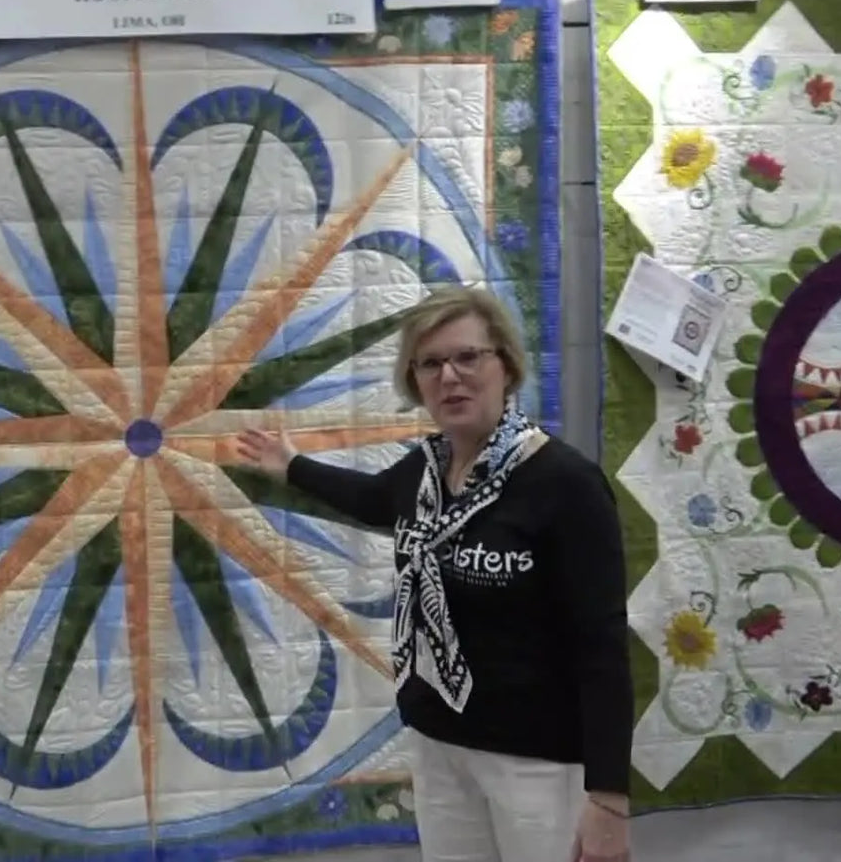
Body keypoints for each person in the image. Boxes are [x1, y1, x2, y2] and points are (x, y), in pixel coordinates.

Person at [235, 286, 632, 862]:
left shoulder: (565, 484)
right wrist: (291, 466)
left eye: (468, 357)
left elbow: (603, 646)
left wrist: (610, 799)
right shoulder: (426, 470)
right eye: (430, 363)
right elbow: (373, 499)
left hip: (536, 762)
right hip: (438, 741)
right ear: (414, 380)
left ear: (505, 366)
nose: (450, 376)